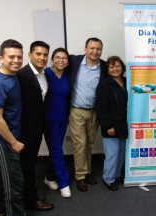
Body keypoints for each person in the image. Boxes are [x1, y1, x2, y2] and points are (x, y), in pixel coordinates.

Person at [0, 39, 25, 216]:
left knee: (5, 180)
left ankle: (1, 211)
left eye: (19, 57)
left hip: (8, 137)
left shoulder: (10, 75)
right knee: (13, 183)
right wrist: (13, 142)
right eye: (11, 57)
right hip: (2, 141)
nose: (16, 60)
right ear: (1, 58)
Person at [16, 41, 54, 210]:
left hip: (37, 127)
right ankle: (31, 201)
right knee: (27, 166)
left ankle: (28, 194)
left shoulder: (44, 75)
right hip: (24, 129)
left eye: (45, 54)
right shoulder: (21, 75)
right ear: (30, 55)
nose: (42, 57)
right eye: (38, 54)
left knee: (29, 163)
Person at [66, 37, 107, 192]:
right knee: (80, 144)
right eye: (91, 48)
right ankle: (80, 176)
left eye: (98, 49)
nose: (94, 51)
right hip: (77, 110)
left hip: (94, 112)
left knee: (89, 144)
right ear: (85, 49)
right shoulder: (74, 62)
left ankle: (88, 171)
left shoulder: (103, 66)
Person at [96, 56, 128, 191]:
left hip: (124, 124)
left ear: (122, 67)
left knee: (121, 153)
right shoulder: (104, 84)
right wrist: (108, 126)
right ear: (107, 69)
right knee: (112, 153)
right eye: (111, 66)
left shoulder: (127, 81)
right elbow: (101, 107)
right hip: (111, 125)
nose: (115, 69)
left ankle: (117, 175)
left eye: (118, 66)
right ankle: (109, 179)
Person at [43, 48, 71, 198]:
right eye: (58, 57)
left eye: (64, 58)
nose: (61, 60)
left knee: (56, 149)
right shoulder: (45, 74)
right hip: (49, 119)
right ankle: (63, 183)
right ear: (52, 59)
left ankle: (49, 176)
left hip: (62, 118)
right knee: (58, 151)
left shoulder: (67, 75)